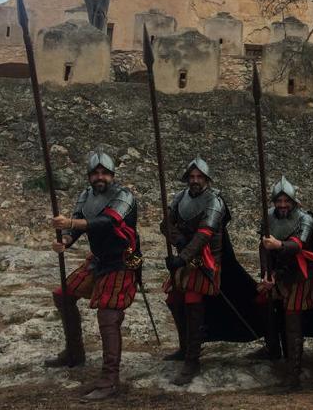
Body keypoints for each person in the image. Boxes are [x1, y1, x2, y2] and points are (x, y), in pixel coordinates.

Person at [48, 151, 142, 401]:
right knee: (63, 295)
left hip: (122, 261)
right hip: (99, 260)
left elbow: (107, 222)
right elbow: (76, 224)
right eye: (95, 173)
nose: (100, 177)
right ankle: (74, 353)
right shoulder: (85, 196)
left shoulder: (124, 196)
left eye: (104, 173)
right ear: (90, 176)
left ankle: (110, 379)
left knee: (108, 315)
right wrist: (65, 240)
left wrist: (70, 222)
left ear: (112, 175)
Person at [162, 157, 228, 386]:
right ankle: (183, 348)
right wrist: (176, 237)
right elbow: (166, 224)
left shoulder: (214, 201)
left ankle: (193, 360)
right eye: (192, 176)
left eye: (199, 177)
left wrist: (182, 257)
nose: (195, 180)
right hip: (187, 259)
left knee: (192, 302)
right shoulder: (180, 197)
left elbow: (204, 235)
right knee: (173, 300)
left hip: (206, 262)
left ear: (207, 179)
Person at [258, 176, 313, 391]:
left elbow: (298, 245)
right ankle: (274, 351)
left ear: (294, 201)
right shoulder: (268, 217)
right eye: (279, 201)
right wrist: (267, 274)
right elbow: (263, 247)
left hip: (300, 277)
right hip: (278, 274)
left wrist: (278, 244)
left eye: (286, 201)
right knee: (265, 306)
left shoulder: (305, 219)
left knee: (292, 322)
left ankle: (293, 376)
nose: (283, 205)